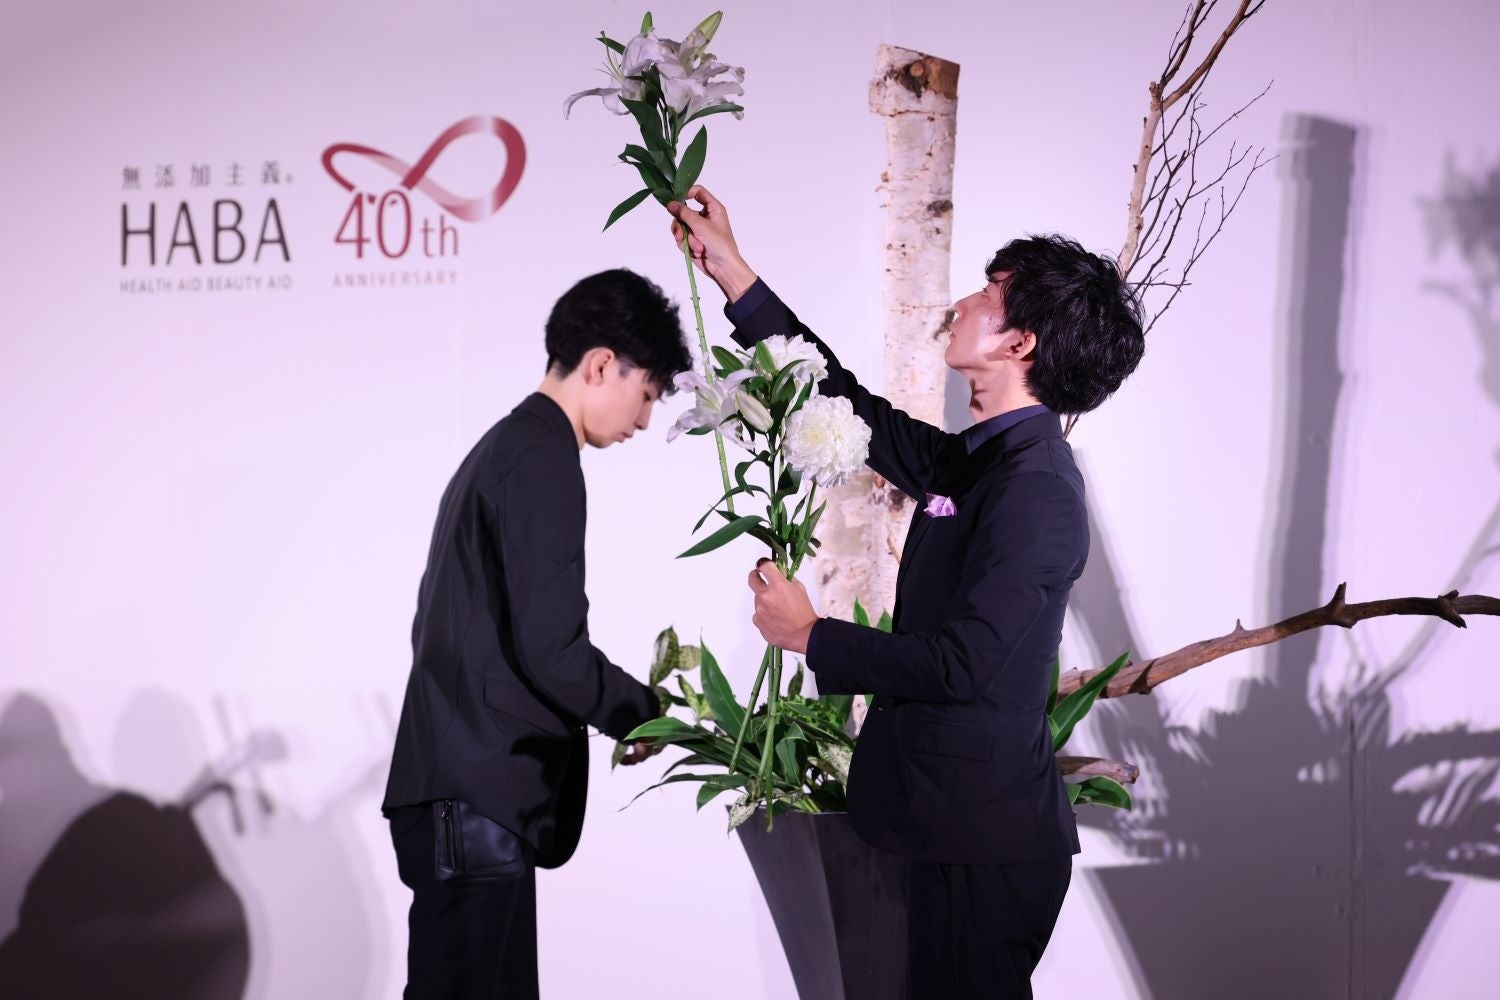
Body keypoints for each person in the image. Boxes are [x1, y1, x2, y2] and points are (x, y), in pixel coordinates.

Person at [667, 187, 1144, 999]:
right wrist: (733, 272)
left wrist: (811, 636)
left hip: (984, 851)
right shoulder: (977, 461)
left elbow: (964, 664)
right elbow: (844, 401)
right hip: (940, 829)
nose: (962, 302)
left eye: (989, 292)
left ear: (1020, 342)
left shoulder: (1037, 489)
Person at [382, 268, 691, 999]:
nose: (645, 420)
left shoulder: (505, 449)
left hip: (463, 800)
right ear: (601, 365)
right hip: (476, 804)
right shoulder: (542, 459)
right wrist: (640, 711)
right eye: (648, 393)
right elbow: (553, 650)